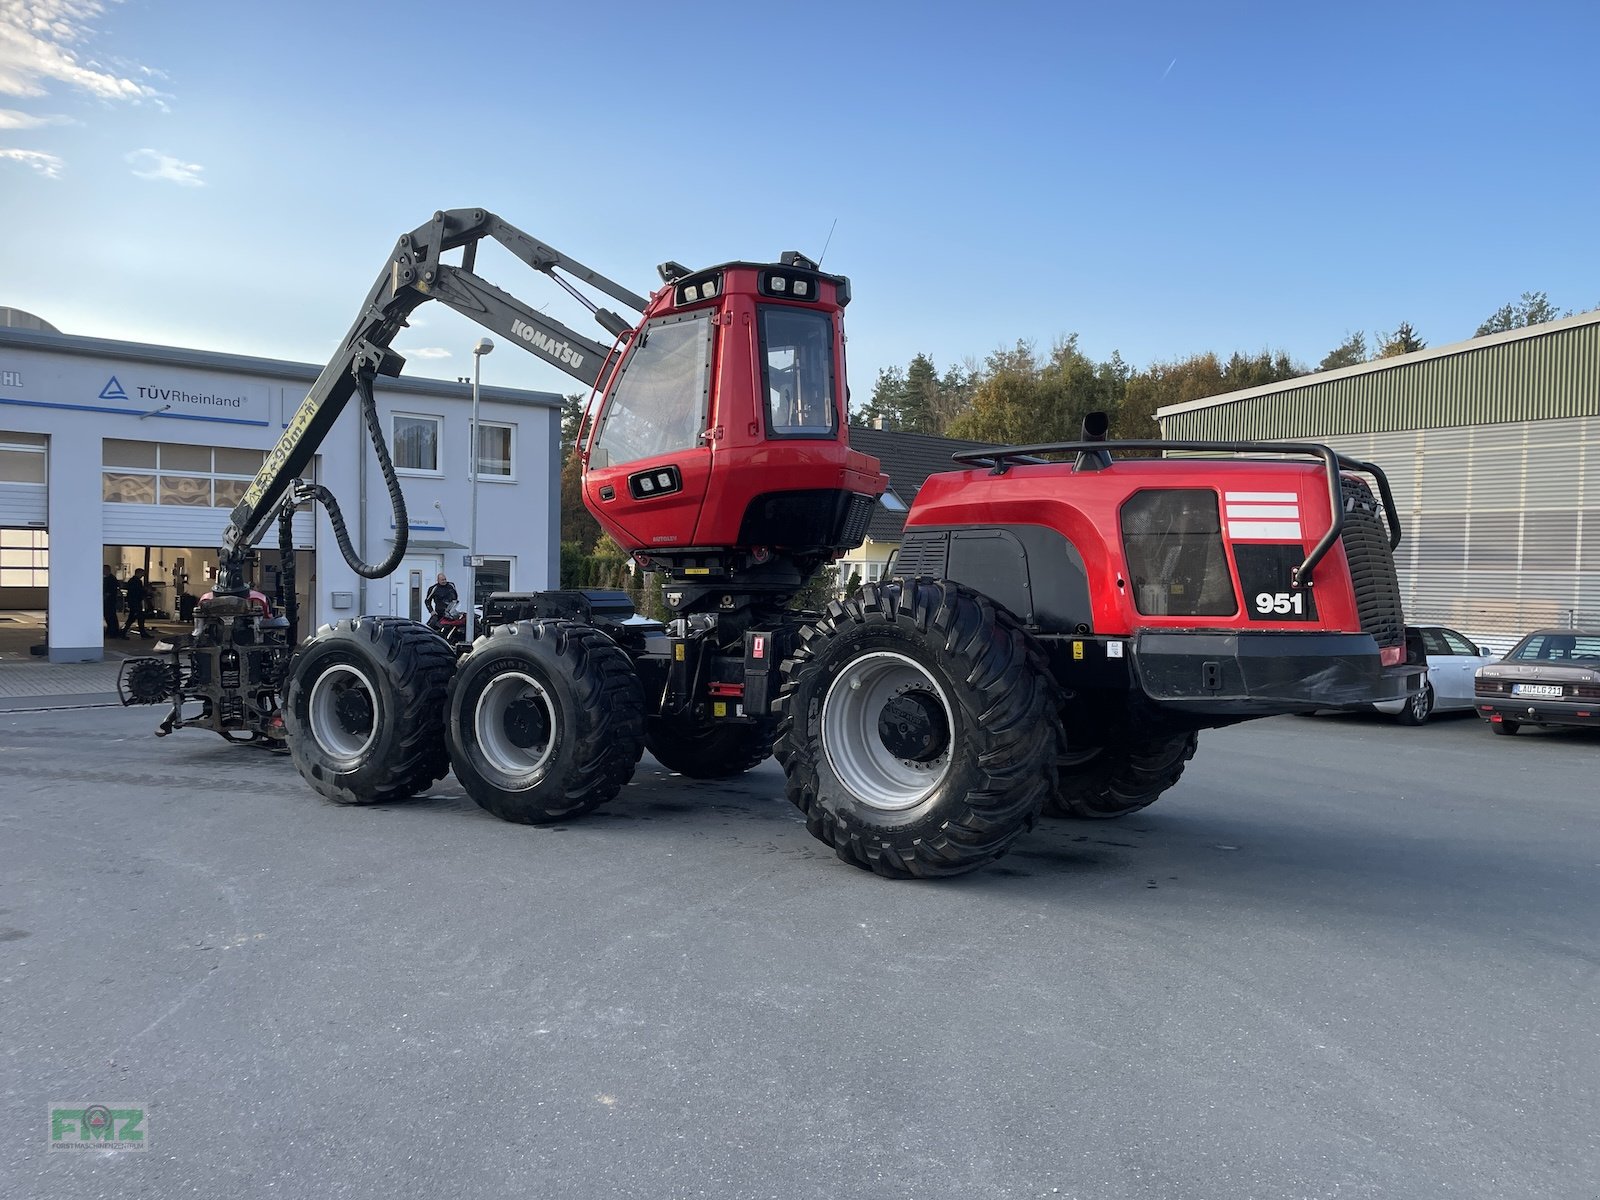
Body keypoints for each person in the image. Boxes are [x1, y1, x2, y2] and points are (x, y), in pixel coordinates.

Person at [123, 568, 151, 638]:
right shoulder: (136, 581)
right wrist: (145, 591)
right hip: (135, 602)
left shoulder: (132, 581)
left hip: (133, 602)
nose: (142, 575)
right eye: (142, 574)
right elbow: (137, 592)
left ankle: (123, 632)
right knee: (138, 618)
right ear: (138, 573)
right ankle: (142, 633)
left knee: (134, 618)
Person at [103, 564, 126, 639]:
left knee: (111, 616)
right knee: (108, 616)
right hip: (108, 601)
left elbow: (111, 591)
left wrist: (106, 595)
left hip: (110, 601)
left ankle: (113, 631)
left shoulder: (111, 579)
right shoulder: (107, 578)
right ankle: (111, 630)